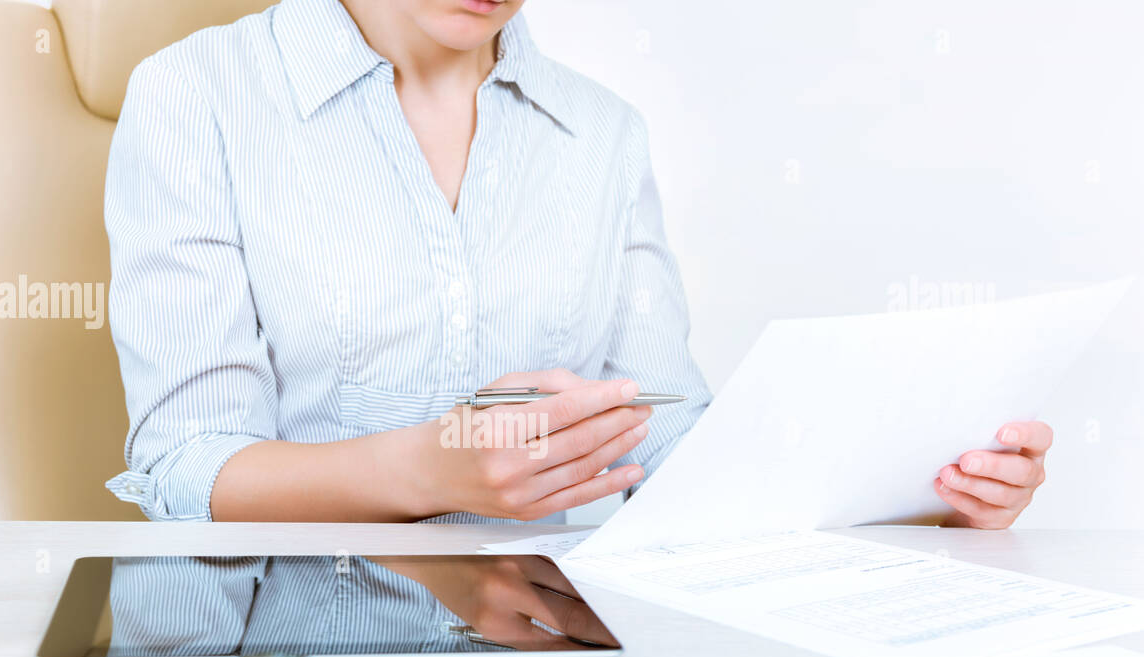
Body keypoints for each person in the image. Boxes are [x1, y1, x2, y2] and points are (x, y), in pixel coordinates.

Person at [105, 0, 1050, 530]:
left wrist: (931, 499)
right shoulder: (195, 97)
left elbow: (671, 451)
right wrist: (430, 468)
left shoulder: (603, 134)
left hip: (553, 650)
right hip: (291, 654)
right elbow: (185, 470)